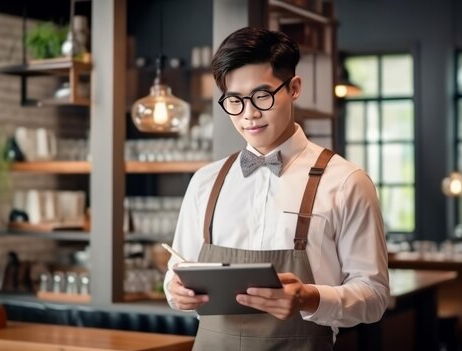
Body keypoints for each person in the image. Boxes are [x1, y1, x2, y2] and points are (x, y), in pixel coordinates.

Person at [163, 26, 389, 350]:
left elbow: (375, 296)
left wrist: (310, 298)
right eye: (235, 101)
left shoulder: (347, 182)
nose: (249, 114)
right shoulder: (205, 182)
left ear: (294, 88)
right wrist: (176, 291)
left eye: (262, 96)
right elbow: (176, 272)